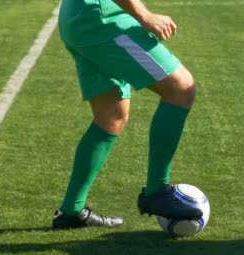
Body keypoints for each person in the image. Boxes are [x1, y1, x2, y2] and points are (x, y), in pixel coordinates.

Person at [52, 0, 203, 229]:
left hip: (80, 17)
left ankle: (72, 211)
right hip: (101, 19)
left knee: (110, 117)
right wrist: (144, 15)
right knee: (180, 88)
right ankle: (156, 190)